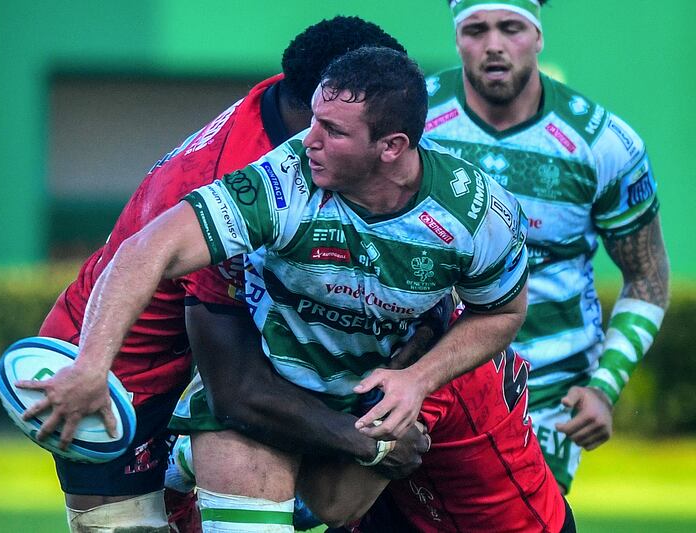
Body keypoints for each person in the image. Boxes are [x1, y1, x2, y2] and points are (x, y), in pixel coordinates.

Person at [42, 45, 528, 532]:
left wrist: (417, 380)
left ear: (392, 146)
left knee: (337, 508)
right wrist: (90, 365)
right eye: (314, 118)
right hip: (265, 398)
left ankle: (188, 461)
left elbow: (501, 313)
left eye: (333, 131)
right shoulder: (282, 180)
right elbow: (146, 250)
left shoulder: (477, 214)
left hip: (360, 400)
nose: (309, 139)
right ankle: (198, 449)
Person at [15, 16, 414, 532]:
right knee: (122, 527)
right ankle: (185, 455)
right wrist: (371, 443)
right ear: (315, 103)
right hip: (111, 363)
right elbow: (234, 389)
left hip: (189, 349)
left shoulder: (286, 104)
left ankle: (187, 461)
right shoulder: (242, 183)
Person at [421, 0, 670, 493]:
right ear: (456, 38)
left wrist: (604, 386)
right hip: (425, 377)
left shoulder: (603, 143)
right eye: (475, 29)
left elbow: (648, 279)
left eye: (510, 27)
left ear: (538, 36)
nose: (493, 45)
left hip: (546, 393)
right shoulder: (413, 120)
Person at [173, 302, 575, 532]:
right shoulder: (431, 325)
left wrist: (213, 461)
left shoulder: (426, 375)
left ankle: (175, 467)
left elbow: (334, 504)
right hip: (418, 510)